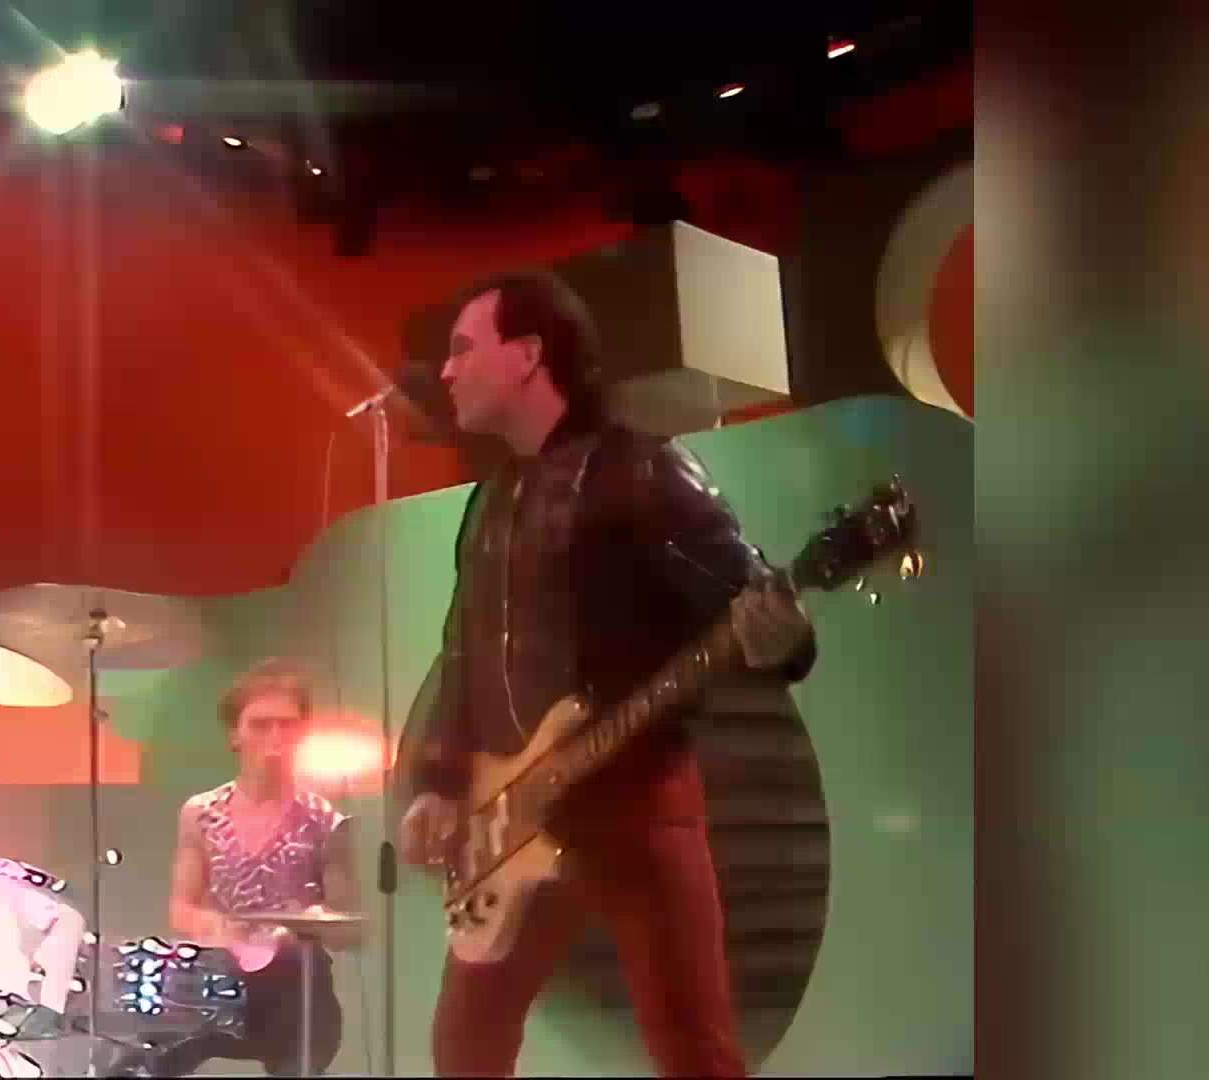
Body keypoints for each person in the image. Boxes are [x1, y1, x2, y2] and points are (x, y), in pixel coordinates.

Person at [395, 270, 818, 1079]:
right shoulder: (491, 500)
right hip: (512, 817)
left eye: (462, 348)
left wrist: (782, 635)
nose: (445, 371)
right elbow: (463, 652)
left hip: (634, 799)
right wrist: (441, 783)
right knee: (466, 1048)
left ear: (528, 354)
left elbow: (755, 605)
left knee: (695, 1050)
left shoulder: (646, 471)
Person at [103, 659, 362, 1077]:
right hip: (218, 973)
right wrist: (222, 929)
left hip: (296, 986)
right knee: (137, 1062)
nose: (275, 737)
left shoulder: (325, 820)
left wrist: (307, 924)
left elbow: (347, 928)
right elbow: (182, 908)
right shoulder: (202, 812)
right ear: (234, 735)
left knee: (303, 1018)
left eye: (287, 725)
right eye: (260, 725)